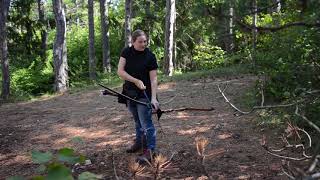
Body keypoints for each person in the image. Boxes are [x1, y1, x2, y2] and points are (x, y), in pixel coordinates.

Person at [117, 29, 159, 161]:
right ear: (133, 42)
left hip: (145, 95)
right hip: (130, 93)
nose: (143, 44)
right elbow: (120, 71)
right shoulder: (126, 52)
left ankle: (150, 151)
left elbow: (153, 79)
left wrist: (153, 98)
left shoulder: (150, 56)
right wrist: (135, 81)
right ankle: (139, 143)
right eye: (140, 41)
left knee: (146, 123)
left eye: (145, 41)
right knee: (137, 121)